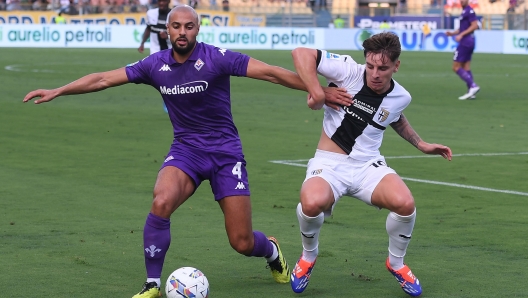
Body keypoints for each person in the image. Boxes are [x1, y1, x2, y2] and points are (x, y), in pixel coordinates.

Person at [23, 5, 352, 298]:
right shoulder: (154, 65)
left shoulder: (217, 57)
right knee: (161, 200)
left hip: (226, 153)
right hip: (186, 150)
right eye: (176, 27)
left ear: (198, 29)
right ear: (167, 30)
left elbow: (270, 73)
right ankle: (152, 284)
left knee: (241, 241)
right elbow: (102, 80)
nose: (182, 32)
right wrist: (58, 90)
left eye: (189, 26)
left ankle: (271, 251)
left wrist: (318, 89)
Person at [289, 32, 452, 296]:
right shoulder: (348, 70)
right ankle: (308, 256)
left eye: (383, 68)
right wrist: (317, 91)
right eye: (371, 66)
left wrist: (421, 144)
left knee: (405, 204)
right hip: (330, 163)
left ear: (396, 66)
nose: (375, 73)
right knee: (310, 203)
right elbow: (300, 53)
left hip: (368, 166)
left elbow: (394, 116)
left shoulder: (402, 96)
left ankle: (396, 263)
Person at [138, 0, 172, 112]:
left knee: (171, 77)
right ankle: (167, 99)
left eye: (164, 1)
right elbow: (148, 28)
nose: (161, 3)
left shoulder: (174, 15)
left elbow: (179, 34)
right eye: (160, 1)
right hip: (156, 51)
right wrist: (142, 43)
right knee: (162, 77)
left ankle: (170, 99)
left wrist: (167, 36)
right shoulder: (151, 13)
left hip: (172, 51)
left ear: (168, 2)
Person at [446, 0, 479, 100]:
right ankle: (471, 92)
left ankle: (473, 86)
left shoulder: (469, 11)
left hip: (466, 41)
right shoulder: (464, 11)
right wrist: (452, 33)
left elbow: (475, 25)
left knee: (456, 67)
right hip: (469, 41)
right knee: (466, 66)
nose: (462, 1)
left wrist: (461, 35)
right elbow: (462, 28)